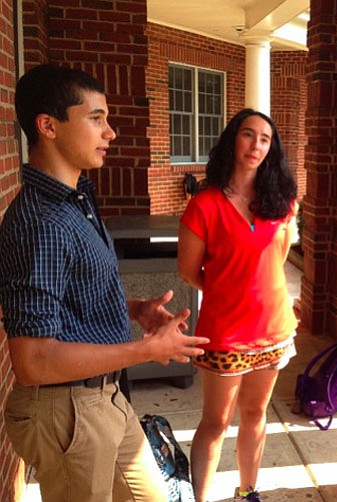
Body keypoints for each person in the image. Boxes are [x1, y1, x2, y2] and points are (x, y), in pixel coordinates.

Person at [0, 64, 210, 502]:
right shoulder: (42, 221)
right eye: (96, 118)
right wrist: (147, 350)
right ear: (48, 126)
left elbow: (66, 296)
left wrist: (131, 308)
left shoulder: (76, 198)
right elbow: (33, 360)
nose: (110, 132)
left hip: (105, 398)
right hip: (66, 411)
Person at [178, 108, 299, 502]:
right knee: (215, 423)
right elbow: (189, 271)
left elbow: (275, 262)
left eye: (265, 139)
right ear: (233, 140)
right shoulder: (204, 205)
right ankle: (199, 496)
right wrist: (228, 287)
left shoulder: (281, 202)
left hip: (273, 330)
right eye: (249, 135)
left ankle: (248, 492)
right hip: (225, 334)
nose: (257, 145)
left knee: (255, 415)